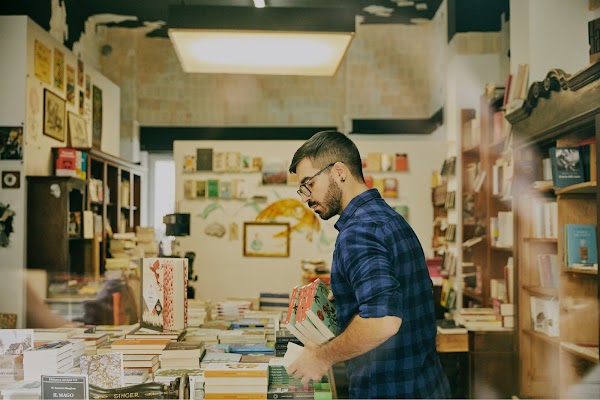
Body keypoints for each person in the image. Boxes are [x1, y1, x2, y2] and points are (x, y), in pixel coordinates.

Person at [286, 130, 450, 399]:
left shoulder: (358, 231)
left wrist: (322, 357)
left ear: (339, 171)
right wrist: (349, 294)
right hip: (425, 384)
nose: (305, 197)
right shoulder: (387, 217)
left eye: (309, 184)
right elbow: (397, 294)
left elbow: (383, 321)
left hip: (389, 390)